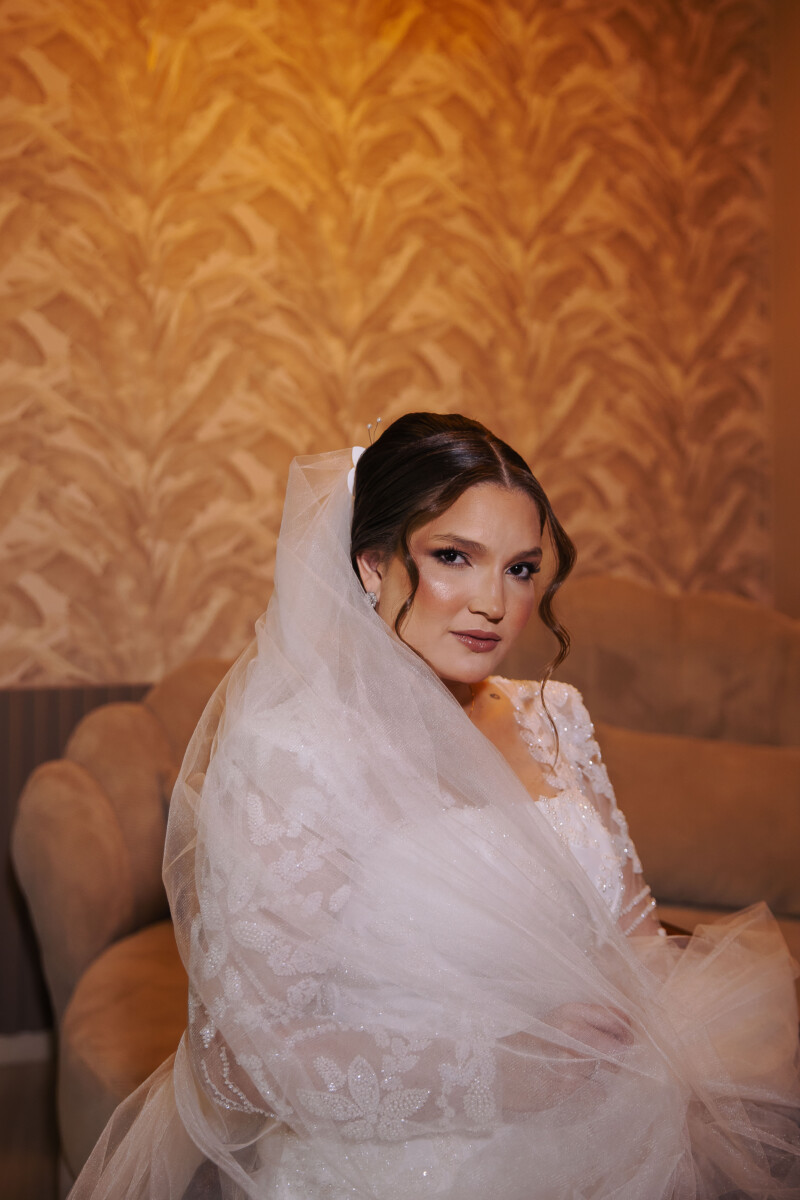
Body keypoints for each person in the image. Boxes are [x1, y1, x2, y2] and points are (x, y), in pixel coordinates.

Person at [71, 413, 800, 1199]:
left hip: (612, 1123)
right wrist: (505, 1071)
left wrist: (662, 1041)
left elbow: (636, 939)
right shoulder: (295, 753)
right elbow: (237, 1061)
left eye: (521, 569)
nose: (494, 602)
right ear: (372, 565)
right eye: (454, 557)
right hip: (399, 1162)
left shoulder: (553, 715)